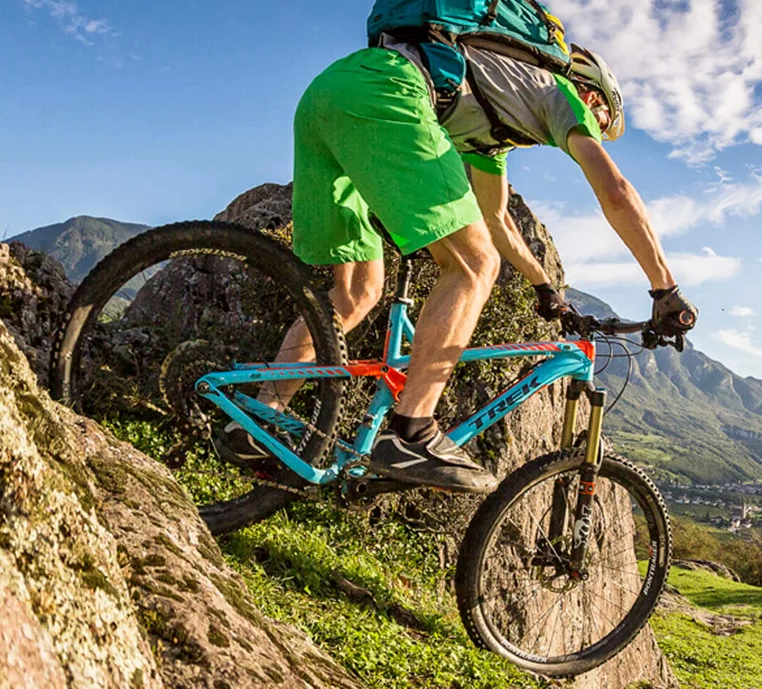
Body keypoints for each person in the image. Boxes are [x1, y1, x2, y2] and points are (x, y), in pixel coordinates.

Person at [218, 38, 697, 493]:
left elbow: (497, 218)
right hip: (390, 92)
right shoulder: (561, 95)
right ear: (592, 93)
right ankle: (411, 432)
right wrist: (664, 289)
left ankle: (259, 421)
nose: (596, 130)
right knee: (473, 266)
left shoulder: (494, 124)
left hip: (331, 92)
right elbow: (615, 192)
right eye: (601, 119)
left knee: (357, 291)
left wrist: (545, 287)